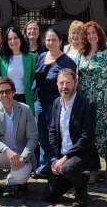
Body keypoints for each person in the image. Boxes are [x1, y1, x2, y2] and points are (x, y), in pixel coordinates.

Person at [41, 69, 99, 207]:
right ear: (57, 84)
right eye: (61, 83)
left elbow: (87, 137)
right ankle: (74, 178)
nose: (64, 86)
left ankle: (81, 191)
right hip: (61, 156)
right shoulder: (56, 103)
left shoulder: (87, 104)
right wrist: (55, 159)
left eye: (68, 82)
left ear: (75, 84)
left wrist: (65, 158)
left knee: (68, 168)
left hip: (82, 154)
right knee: (47, 196)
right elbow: (53, 132)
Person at [0, 76, 38, 197]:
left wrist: (23, 157)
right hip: (3, 154)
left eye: (8, 91)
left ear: (14, 92)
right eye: (1, 92)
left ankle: (14, 181)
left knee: (20, 178)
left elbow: (33, 137)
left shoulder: (25, 109)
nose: (5, 95)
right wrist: (6, 150)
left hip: (21, 156)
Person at [77, 21, 107, 184]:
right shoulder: (81, 54)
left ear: (99, 34)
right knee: (89, 135)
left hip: (103, 99)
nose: (91, 36)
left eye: (94, 33)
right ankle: (93, 170)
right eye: (88, 34)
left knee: (106, 133)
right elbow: (78, 79)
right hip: (86, 100)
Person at [33, 29, 77, 177]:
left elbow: (69, 85)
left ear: (60, 41)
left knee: (54, 136)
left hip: (55, 104)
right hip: (39, 102)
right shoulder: (42, 56)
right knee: (42, 135)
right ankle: (44, 164)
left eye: (53, 40)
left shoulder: (67, 62)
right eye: (48, 40)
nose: (50, 42)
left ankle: (54, 164)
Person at [0, 27, 36, 111]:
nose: (13, 41)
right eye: (9, 39)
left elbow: (32, 78)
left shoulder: (31, 58)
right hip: (6, 98)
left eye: (15, 38)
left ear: (21, 39)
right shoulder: (1, 59)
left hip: (25, 97)